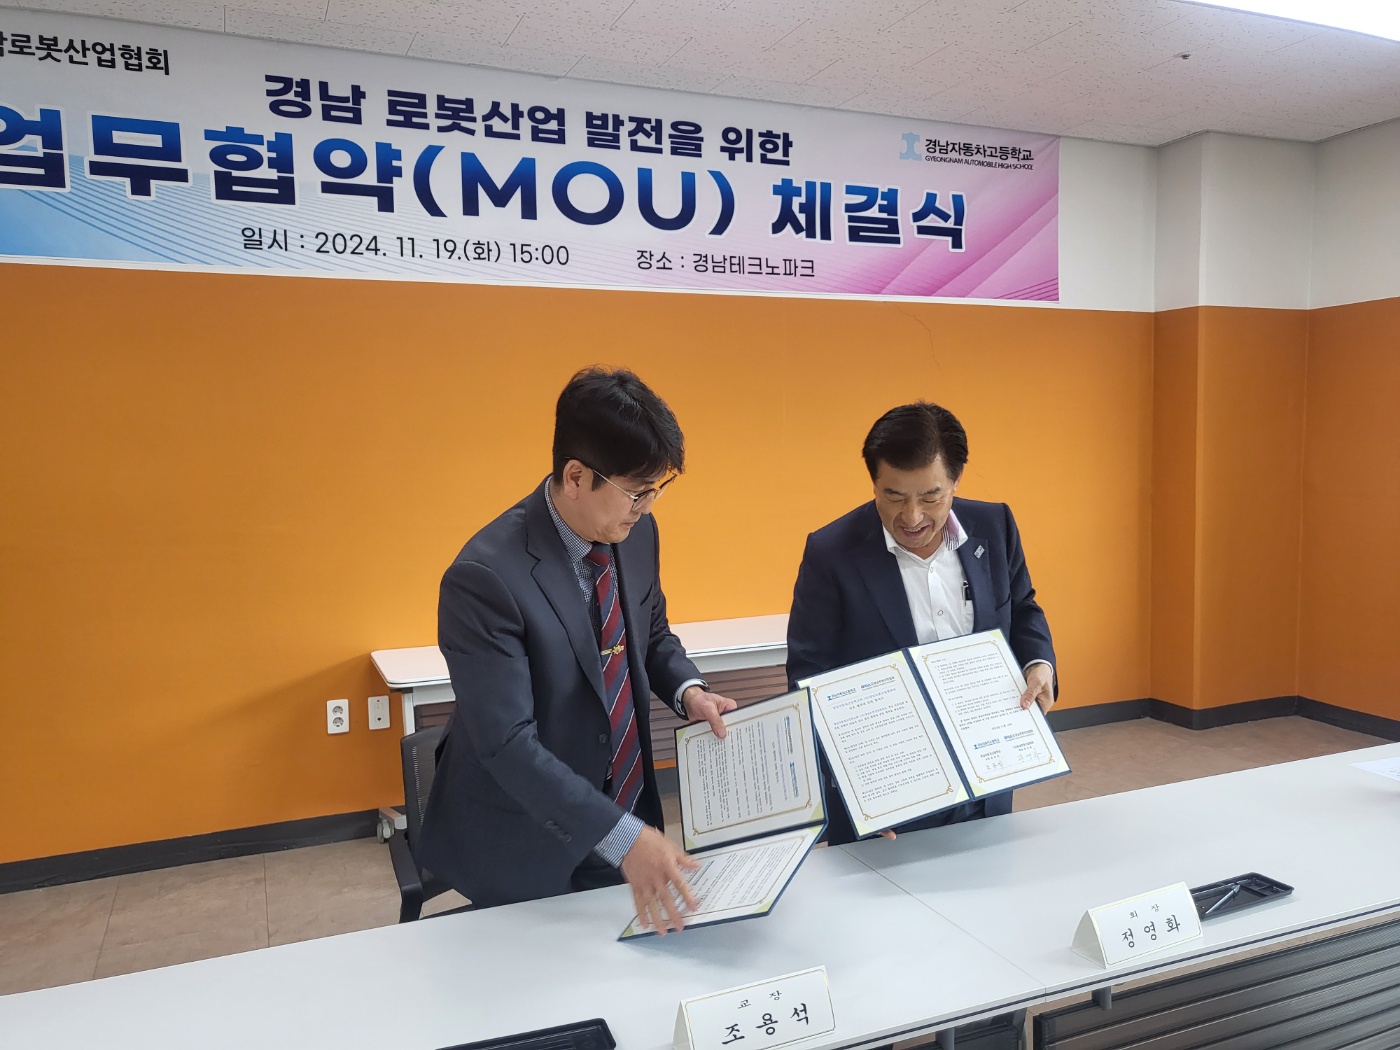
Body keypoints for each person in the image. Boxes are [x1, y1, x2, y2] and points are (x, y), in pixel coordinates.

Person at [418, 367, 736, 933]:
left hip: (624, 813)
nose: (647, 508)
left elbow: (651, 630)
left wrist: (689, 691)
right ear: (575, 476)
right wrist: (623, 837)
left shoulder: (633, 532)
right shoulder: (484, 577)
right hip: (525, 837)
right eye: (636, 492)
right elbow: (508, 745)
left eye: (657, 490)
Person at [786, 401, 1056, 845]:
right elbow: (809, 675)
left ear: (956, 479)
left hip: (986, 775)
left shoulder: (995, 525)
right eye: (893, 496)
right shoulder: (831, 552)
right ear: (874, 483)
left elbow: (1023, 607)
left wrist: (1038, 662)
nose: (911, 517)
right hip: (888, 792)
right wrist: (854, 784)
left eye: (931, 497)